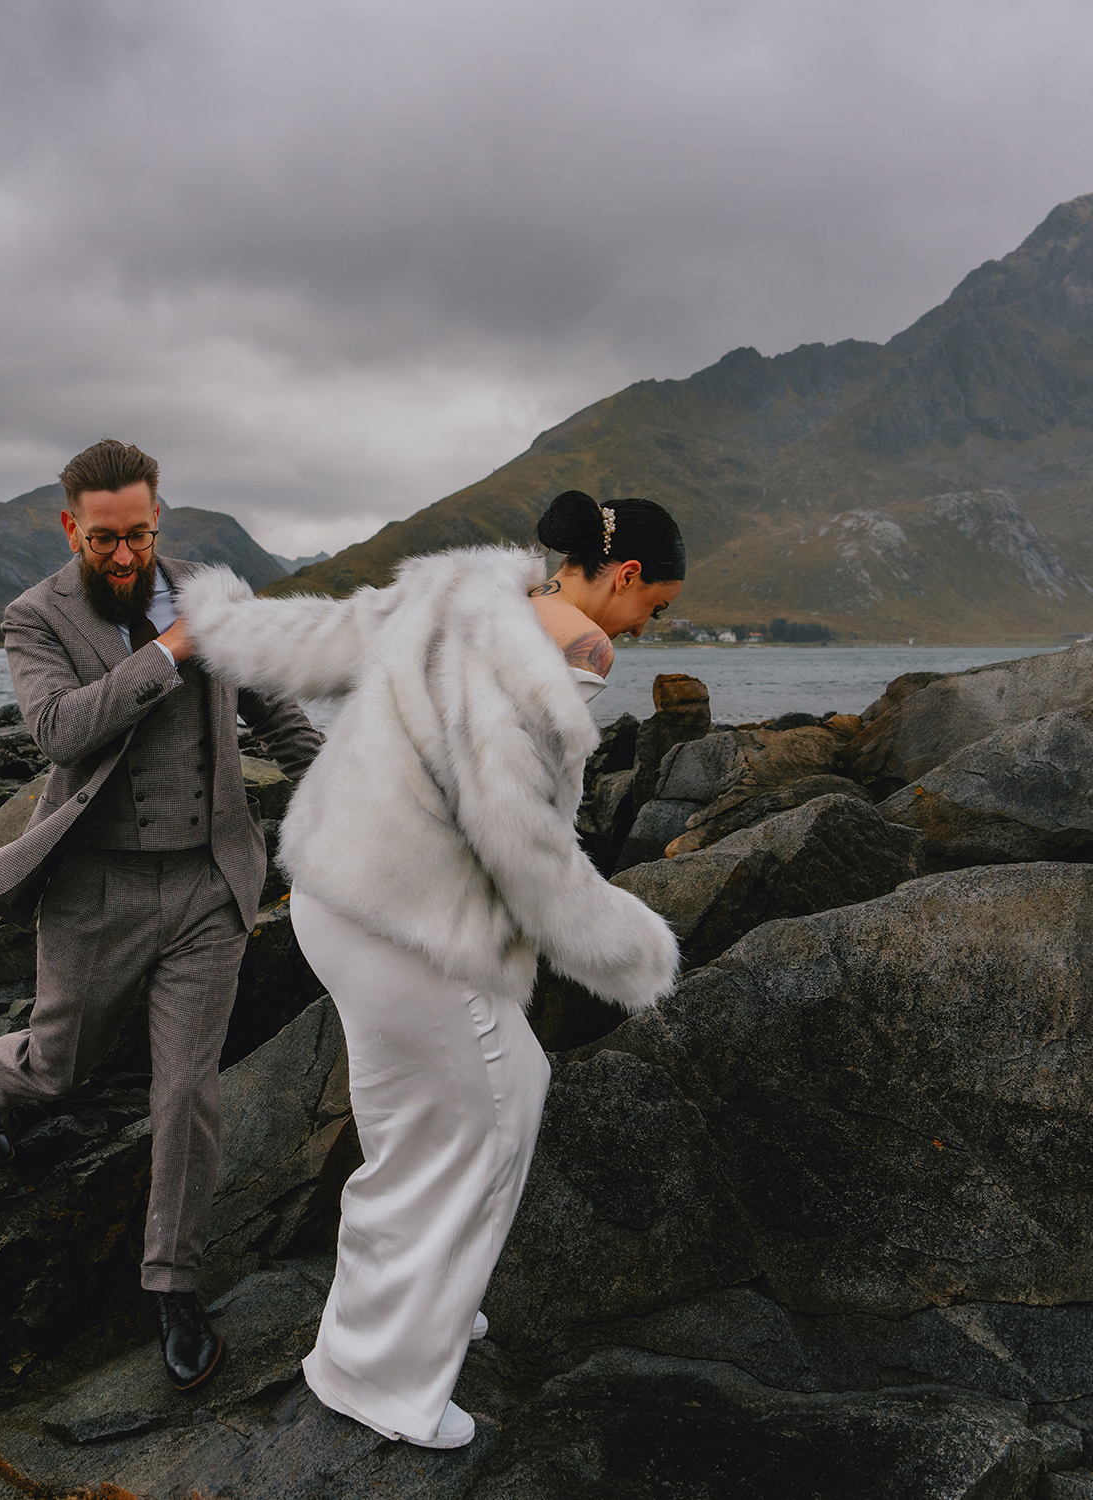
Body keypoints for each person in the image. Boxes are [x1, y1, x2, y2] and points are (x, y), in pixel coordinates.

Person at [174, 490, 685, 1448]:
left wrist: (218, 609)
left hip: (335, 892)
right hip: (409, 922)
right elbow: (522, 842)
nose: (647, 627)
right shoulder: (571, 655)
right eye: (654, 606)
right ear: (621, 578)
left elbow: (317, 637)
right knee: (482, 1118)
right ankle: (380, 1375)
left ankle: (425, 1305)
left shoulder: (462, 586)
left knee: (445, 1113)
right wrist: (636, 950)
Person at [0, 439, 321, 1393]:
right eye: (106, 540)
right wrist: (168, 651)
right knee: (55, 1067)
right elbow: (58, 731)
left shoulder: (215, 592)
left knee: (187, 1093)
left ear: (163, 520)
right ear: (72, 526)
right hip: (95, 891)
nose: (126, 557)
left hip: (208, 882)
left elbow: (280, 717)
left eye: (142, 536)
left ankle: (172, 1282)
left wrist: (353, 787)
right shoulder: (33, 617)